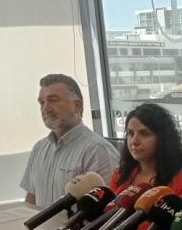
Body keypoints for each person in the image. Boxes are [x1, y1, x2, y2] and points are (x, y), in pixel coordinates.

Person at [21, 74, 119, 207]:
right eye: (42, 102)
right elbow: (32, 196)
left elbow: (109, 205)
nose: (45, 108)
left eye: (53, 100)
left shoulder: (98, 149)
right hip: (42, 222)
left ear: (77, 106)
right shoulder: (39, 147)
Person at [110, 103, 182, 205]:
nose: (134, 141)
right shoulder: (120, 175)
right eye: (130, 133)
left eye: (144, 134)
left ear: (163, 139)